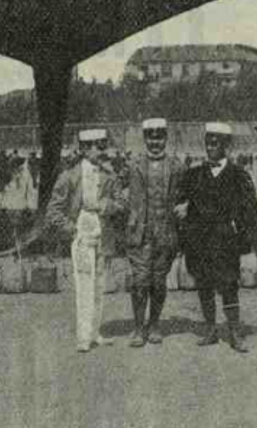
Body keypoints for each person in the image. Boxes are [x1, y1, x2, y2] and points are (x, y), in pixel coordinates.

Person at [175, 122, 257, 353]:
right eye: (208, 142)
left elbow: (250, 211)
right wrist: (185, 210)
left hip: (225, 241)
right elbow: (180, 201)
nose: (211, 147)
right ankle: (210, 329)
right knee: (203, 283)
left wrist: (244, 243)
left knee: (229, 284)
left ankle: (234, 332)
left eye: (216, 143)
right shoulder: (193, 174)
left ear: (226, 145)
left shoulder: (239, 175)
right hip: (199, 240)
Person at [46, 128, 121, 353]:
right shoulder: (70, 175)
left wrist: (109, 206)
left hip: (103, 232)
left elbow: (121, 202)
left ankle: (95, 332)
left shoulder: (109, 175)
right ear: (85, 149)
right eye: (95, 146)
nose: (100, 151)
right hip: (81, 233)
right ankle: (83, 336)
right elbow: (53, 210)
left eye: (102, 146)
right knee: (84, 284)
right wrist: (71, 228)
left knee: (99, 285)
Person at [122, 118, 186, 347]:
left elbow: (189, 192)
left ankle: (155, 324)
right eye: (151, 138)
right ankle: (139, 328)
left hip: (166, 233)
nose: (155, 143)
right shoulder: (133, 165)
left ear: (165, 139)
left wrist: (186, 205)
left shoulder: (177, 166)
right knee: (140, 282)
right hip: (140, 233)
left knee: (158, 282)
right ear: (145, 139)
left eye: (159, 138)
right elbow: (113, 187)